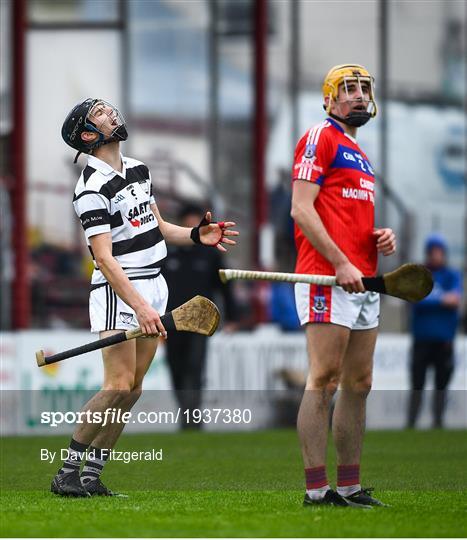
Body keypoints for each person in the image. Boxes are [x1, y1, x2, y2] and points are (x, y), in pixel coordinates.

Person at [53, 98, 238, 497]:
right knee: (117, 383)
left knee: (134, 389)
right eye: (99, 114)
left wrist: (194, 236)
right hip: (120, 290)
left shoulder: (139, 169)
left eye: (108, 108)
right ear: (88, 135)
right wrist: (139, 305)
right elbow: (103, 256)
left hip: (155, 284)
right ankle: (66, 472)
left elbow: (155, 226)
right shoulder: (90, 187)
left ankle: (91, 476)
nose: (110, 113)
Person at [290, 64, 396, 508]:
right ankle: (318, 489)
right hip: (326, 276)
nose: (357, 96)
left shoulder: (360, 153)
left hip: (364, 280)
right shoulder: (320, 137)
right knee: (325, 379)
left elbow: (347, 216)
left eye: (364, 89)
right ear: (329, 99)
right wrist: (340, 261)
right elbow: (301, 208)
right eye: (348, 89)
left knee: (360, 381)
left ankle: (350, 486)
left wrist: (378, 238)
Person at [163, 203, 240, 429]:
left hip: (200, 321)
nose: (190, 224)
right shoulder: (168, 252)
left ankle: (192, 418)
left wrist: (233, 317)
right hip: (171, 321)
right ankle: (185, 412)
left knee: (194, 366)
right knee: (175, 367)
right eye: (187, 220)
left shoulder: (210, 254)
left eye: (194, 220)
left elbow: (225, 286)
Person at [407, 233, 462, 428]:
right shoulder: (420, 274)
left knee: (441, 385)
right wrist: (441, 299)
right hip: (422, 340)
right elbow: (415, 299)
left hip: (444, 340)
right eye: (433, 252)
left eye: (440, 252)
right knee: (417, 385)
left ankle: (438, 423)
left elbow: (455, 299)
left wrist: (431, 298)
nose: (436, 255)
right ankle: (411, 424)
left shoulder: (452, 275)